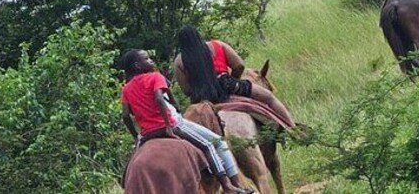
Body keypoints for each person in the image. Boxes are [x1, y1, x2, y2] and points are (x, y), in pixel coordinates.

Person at [120, 49, 253, 194]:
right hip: (171, 125)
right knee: (213, 144)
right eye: (146, 59)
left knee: (128, 171)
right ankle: (229, 186)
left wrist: (136, 136)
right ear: (137, 66)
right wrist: (168, 125)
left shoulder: (126, 89)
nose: (151, 61)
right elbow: (159, 99)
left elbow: (126, 116)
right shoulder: (155, 77)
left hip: (147, 135)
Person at [173, 26, 296, 129]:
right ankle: (293, 130)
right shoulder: (217, 45)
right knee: (269, 97)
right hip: (228, 85)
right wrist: (233, 79)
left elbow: (187, 91)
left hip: (201, 98)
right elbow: (239, 65)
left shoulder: (179, 61)